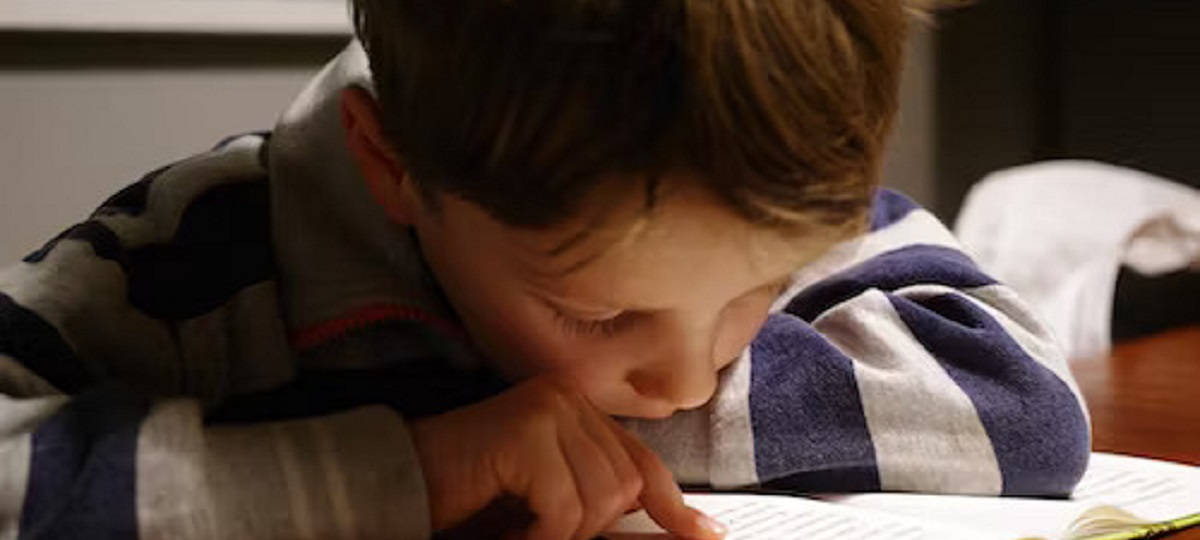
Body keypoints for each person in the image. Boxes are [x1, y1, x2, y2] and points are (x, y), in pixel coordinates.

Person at [0, 1, 1090, 538]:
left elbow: (1022, 404)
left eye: (756, 292)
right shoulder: (190, 261)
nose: (693, 380)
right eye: (600, 312)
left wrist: (590, 426)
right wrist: (412, 463)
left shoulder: (750, 182)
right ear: (393, 169)